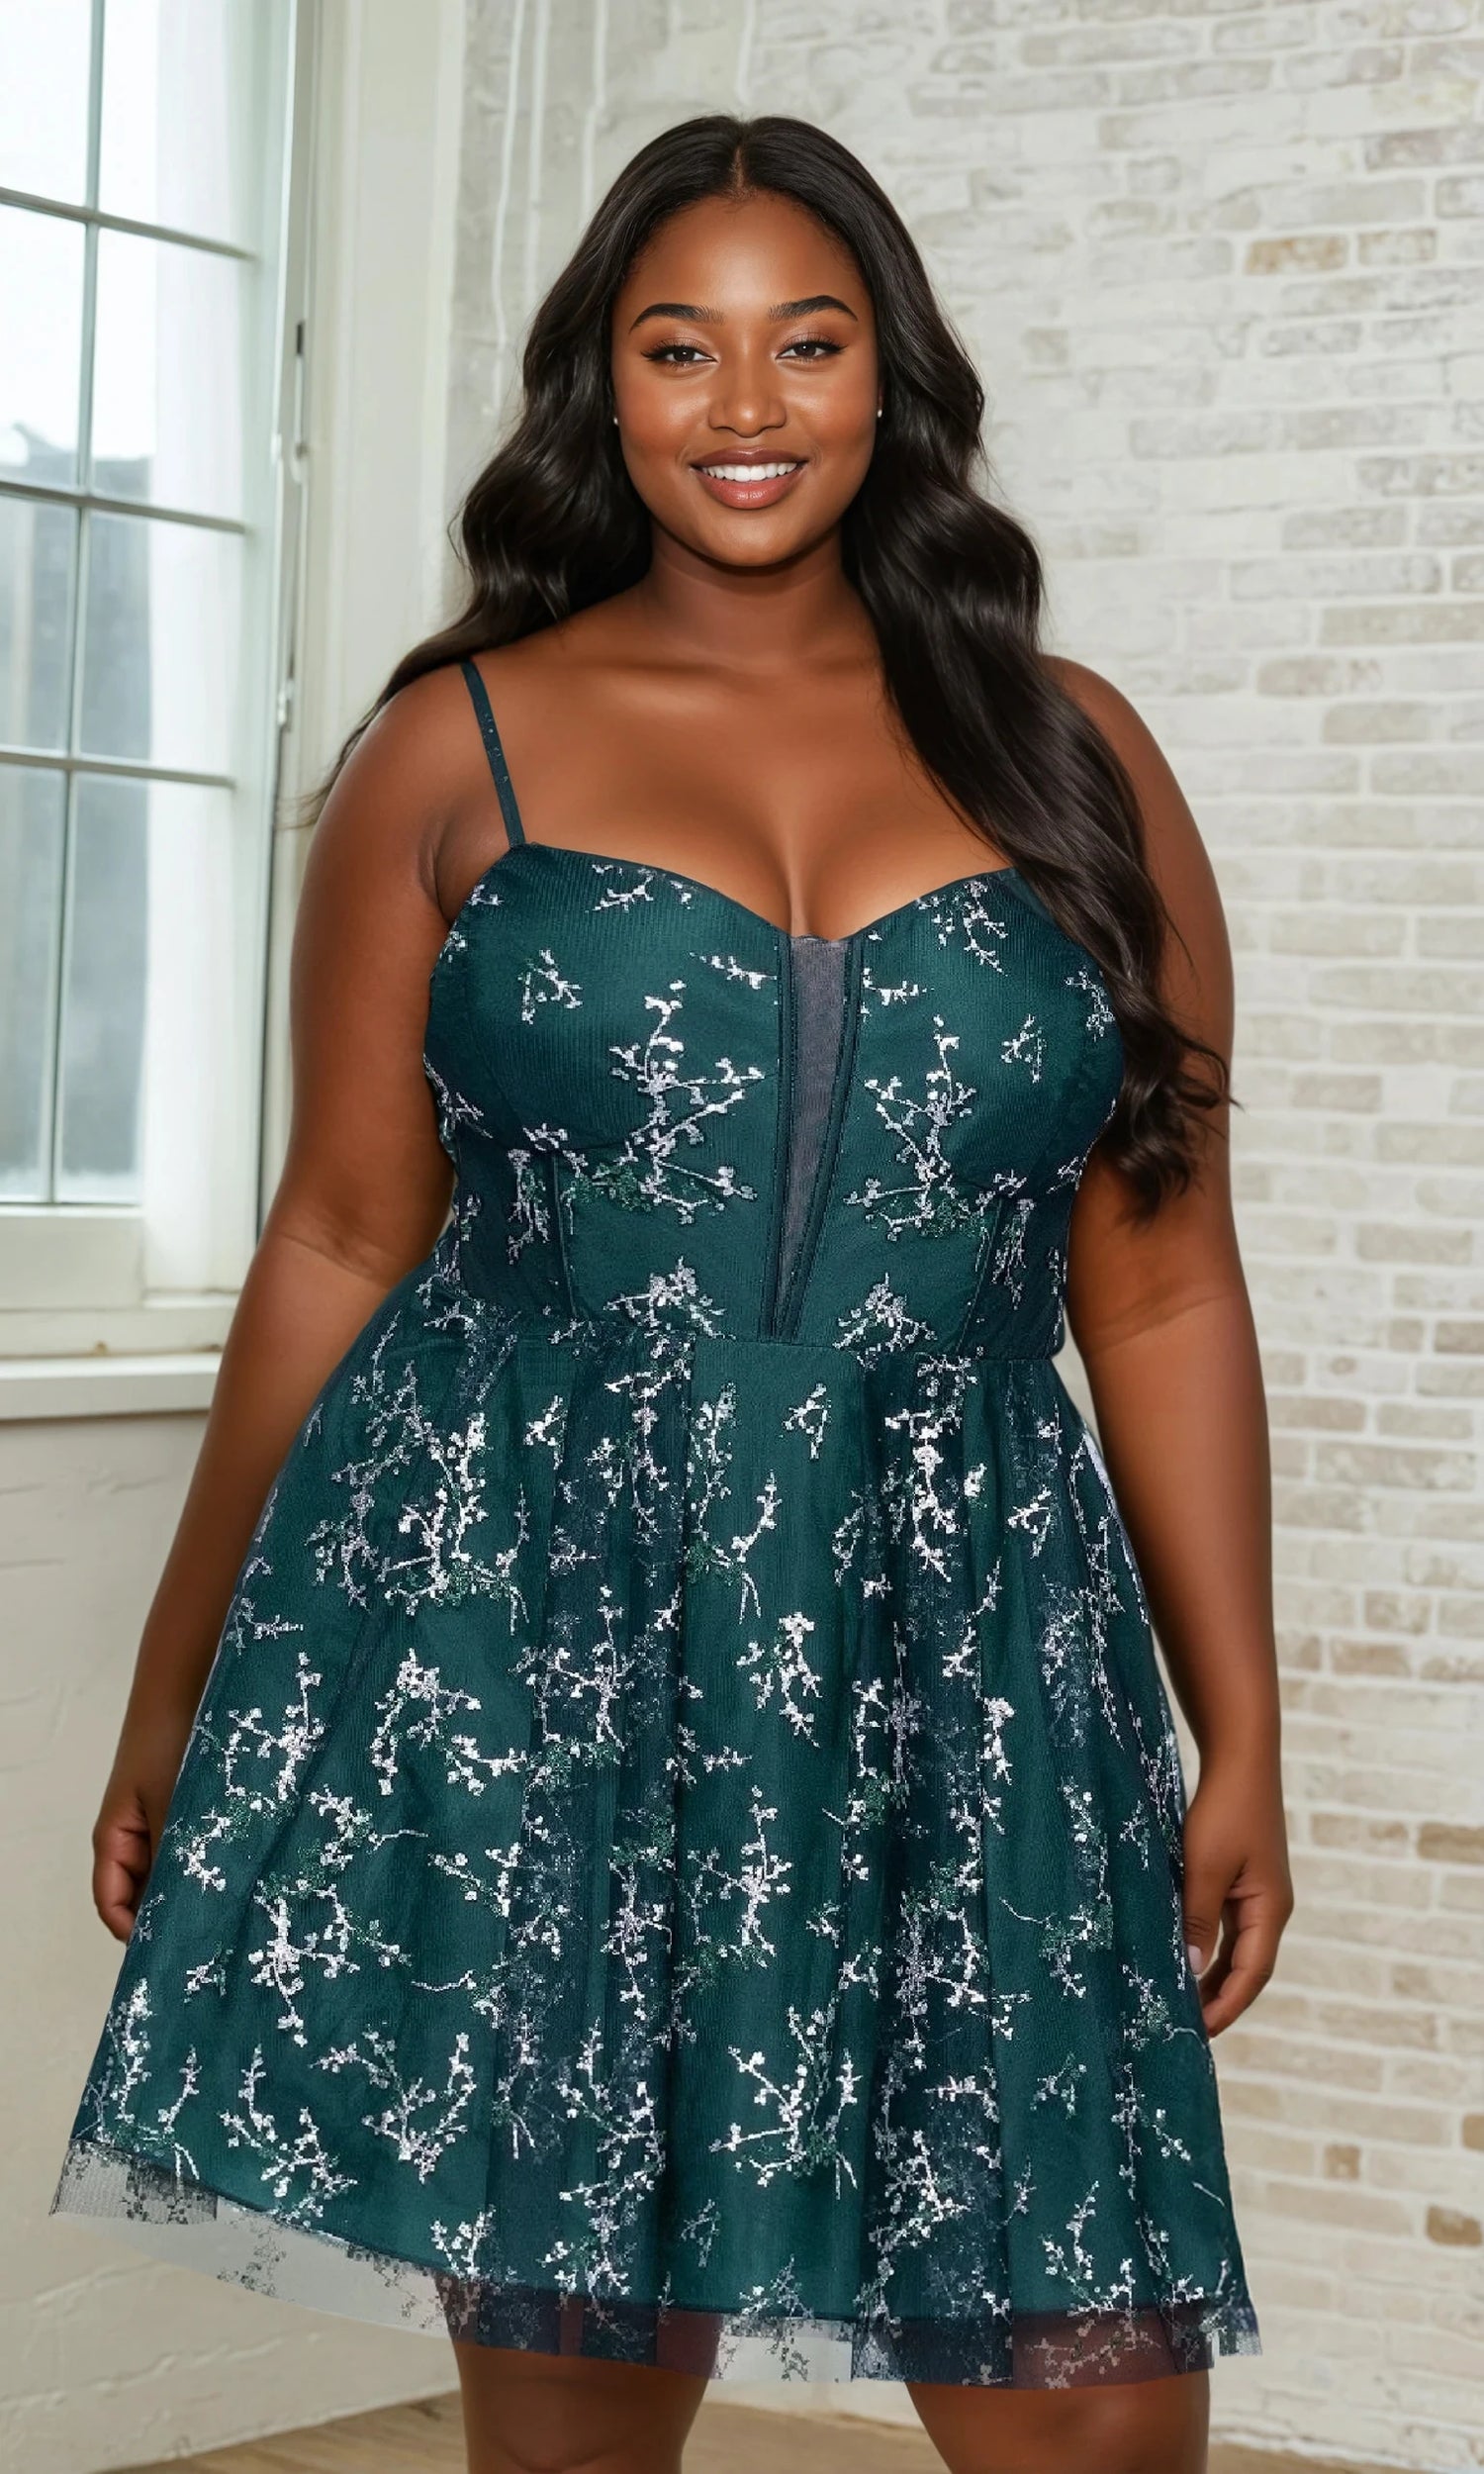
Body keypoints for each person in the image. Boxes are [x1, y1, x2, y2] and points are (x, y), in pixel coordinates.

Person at [50, 115, 1289, 2474]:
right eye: (679, 344)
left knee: (1102, 2415)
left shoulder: (1076, 755)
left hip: (978, 1650)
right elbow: (337, 1235)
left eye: (807, 342)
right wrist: (178, 1675)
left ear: (890, 379)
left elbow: (1159, 1279)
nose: (746, 402)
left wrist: (1240, 1727)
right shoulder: (456, 745)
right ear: (600, 391)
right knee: (581, 2426)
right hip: (564, 1639)